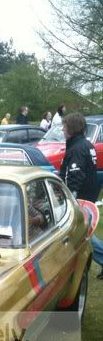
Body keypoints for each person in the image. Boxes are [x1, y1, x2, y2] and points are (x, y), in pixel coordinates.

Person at [60, 112, 102, 278]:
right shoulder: (86, 144)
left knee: (83, 233)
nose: (62, 130)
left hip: (79, 198)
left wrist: (69, 199)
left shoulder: (77, 148)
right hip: (88, 195)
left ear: (71, 128)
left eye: (64, 127)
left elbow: (75, 176)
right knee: (82, 232)